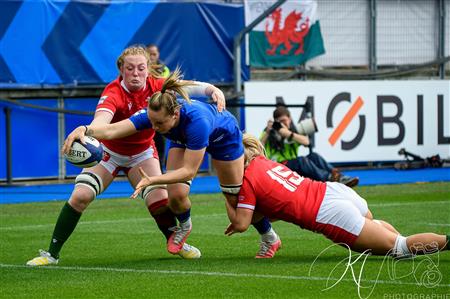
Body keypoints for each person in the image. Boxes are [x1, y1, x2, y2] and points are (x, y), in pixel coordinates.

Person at [26, 45, 227, 266]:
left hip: (142, 153)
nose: (136, 73)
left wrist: (212, 90)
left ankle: (176, 240)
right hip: (108, 153)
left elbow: (189, 87)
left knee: (160, 203)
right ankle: (51, 254)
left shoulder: (157, 86)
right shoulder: (113, 92)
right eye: (130, 68)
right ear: (121, 69)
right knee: (80, 196)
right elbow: (103, 124)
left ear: (148, 68)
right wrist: (86, 129)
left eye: (141, 68)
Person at [60, 68, 282, 259]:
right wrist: (85, 129)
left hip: (224, 139)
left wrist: (152, 180)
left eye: (159, 124)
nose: (153, 128)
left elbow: (189, 171)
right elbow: (112, 129)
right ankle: (184, 226)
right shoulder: (156, 113)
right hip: (182, 139)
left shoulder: (198, 123)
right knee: (175, 196)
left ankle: (269, 236)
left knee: (238, 215)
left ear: (175, 115)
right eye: (151, 122)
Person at [224, 134, 449, 259]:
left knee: (400, 247)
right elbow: (277, 206)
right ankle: (402, 240)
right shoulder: (264, 162)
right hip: (333, 191)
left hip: (328, 212)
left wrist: (227, 191)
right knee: (378, 230)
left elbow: (241, 223)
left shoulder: (248, 181)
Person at [260, 105, 359, 187]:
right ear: (275, 122)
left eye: (284, 120)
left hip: (293, 166)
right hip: (278, 167)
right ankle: (330, 178)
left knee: (314, 156)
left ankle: (340, 177)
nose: (283, 124)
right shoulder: (269, 133)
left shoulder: (292, 132)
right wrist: (268, 131)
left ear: (290, 119)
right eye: (279, 122)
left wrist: (288, 134)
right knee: (301, 161)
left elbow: (307, 142)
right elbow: (259, 146)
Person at [146, 44, 169, 169]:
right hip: (145, 111)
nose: (152, 56)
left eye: (154, 54)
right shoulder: (141, 69)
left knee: (160, 142)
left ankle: (160, 170)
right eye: (149, 53)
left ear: (158, 54)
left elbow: (164, 88)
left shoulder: (164, 69)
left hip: (159, 111)